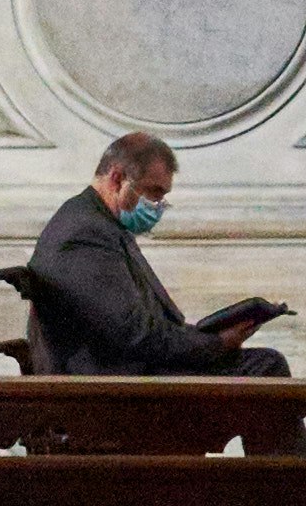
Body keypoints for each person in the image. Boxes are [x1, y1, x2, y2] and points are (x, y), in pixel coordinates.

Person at [20, 133, 291, 375]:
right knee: (266, 366)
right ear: (117, 178)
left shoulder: (98, 224)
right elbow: (134, 335)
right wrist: (216, 343)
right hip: (113, 388)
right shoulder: (86, 233)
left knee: (265, 363)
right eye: (153, 192)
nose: (158, 206)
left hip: (126, 372)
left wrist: (207, 337)